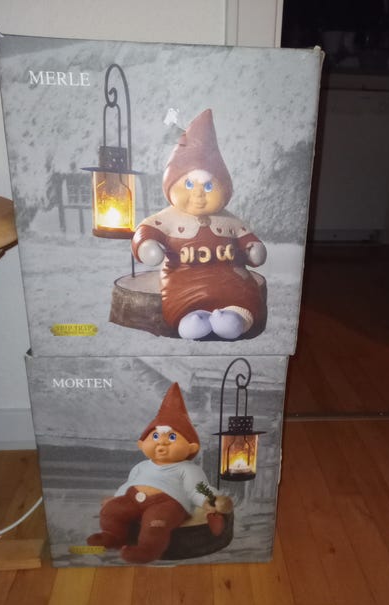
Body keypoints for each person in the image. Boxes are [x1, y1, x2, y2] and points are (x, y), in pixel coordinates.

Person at [131, 109, 267, 340]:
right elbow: (145, 233)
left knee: (244, 294)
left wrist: (254, 250)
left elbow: (249, 241)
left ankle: (237, 316)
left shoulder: (229, 220)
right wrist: (146, 246)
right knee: (181, 304)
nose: (198, 194)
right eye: (189, 185)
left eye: (208, 187)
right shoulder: (167, 218)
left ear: (224, 190)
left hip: (230, 278)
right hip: (183, 280)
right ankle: (191, 316)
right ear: (170, 185)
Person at [87, 382, 232, 563]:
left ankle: (148, 550)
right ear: (142, 444)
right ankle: (113, 536)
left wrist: (211, 500)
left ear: (191, 447)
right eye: (155, 436)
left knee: (156, 522)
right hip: (133, 497)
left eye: (172, 437)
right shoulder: (141, 466)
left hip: (167, 503)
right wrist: (117, 497)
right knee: (112, 511)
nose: (161, 442)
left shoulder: (187, 469)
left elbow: (197, 488)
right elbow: (130, 484)